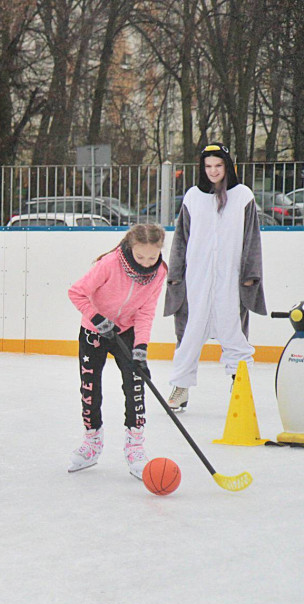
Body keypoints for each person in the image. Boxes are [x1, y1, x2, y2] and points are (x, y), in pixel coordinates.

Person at [164, 143, 266, 412]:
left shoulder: (243, 196)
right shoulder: (192, 197)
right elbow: (180, 240)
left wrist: (250, 276)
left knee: (234, 334)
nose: (213, 171)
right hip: (195, 280)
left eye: (218, 166)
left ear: (228, 167)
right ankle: (181, 387)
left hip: (230, 280)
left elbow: (252, 239)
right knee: (188, 335)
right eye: (208, 166)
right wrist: (175, 276)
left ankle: (239, 383)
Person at [67, 224, 167, 479]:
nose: (146, 263)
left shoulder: (158, 273)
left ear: (160, 252)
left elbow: (146, 312)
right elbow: (77, 292)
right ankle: (92, 442)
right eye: (140, 256)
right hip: (94, 330)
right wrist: (97, 318)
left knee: (135, 385)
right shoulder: (111, 263)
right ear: (130, 248)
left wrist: (141, 350)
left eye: (152, 257)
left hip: (127, 331)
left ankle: (135, 446)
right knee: (90, 388)